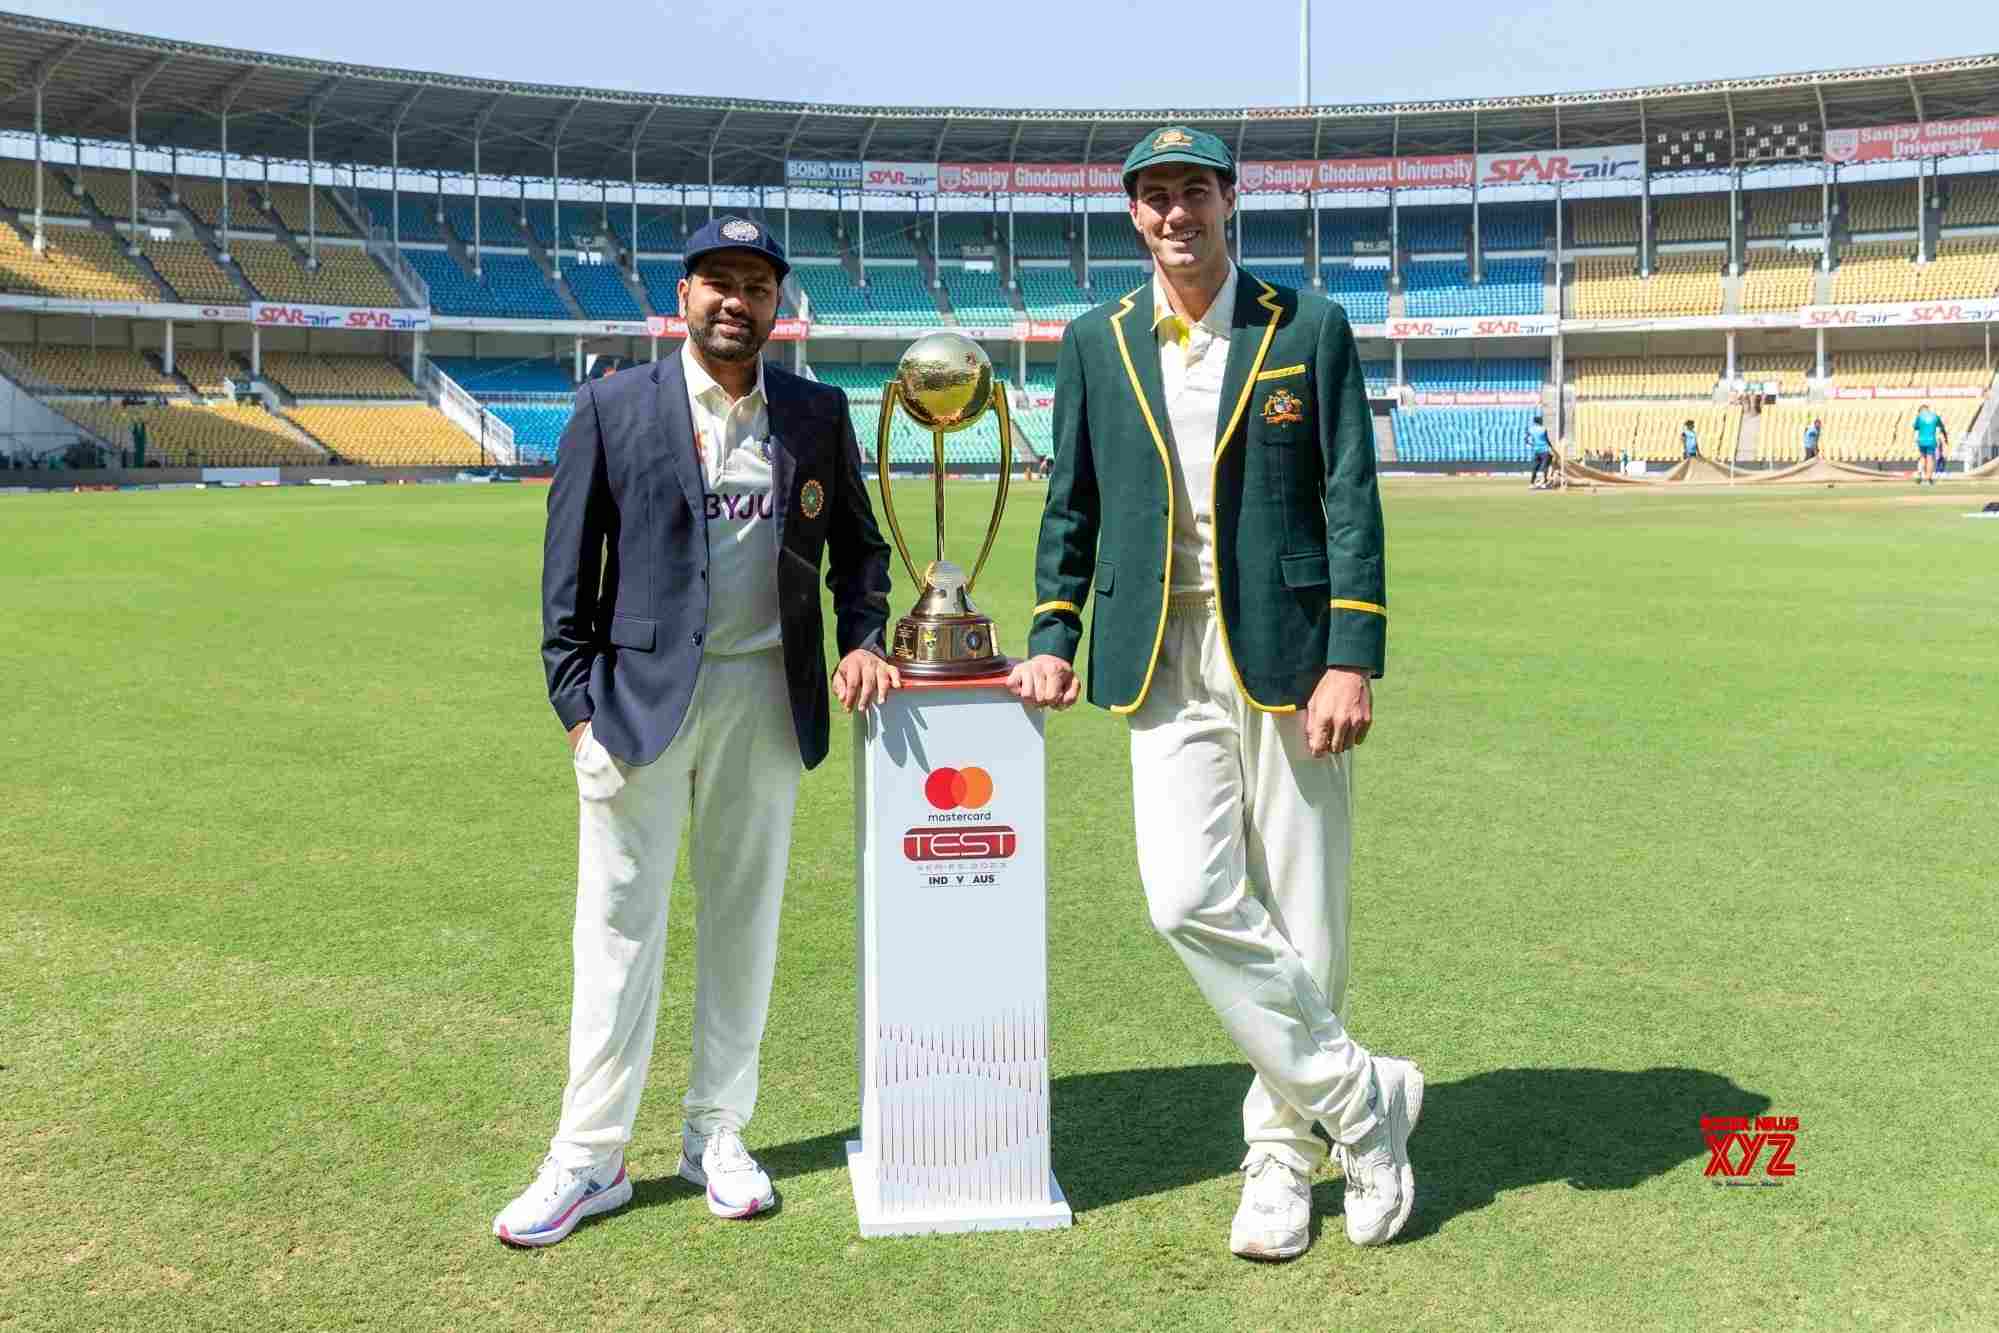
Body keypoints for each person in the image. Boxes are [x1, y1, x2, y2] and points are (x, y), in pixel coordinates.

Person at [1009, 126, 1421, 1263]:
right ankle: (1364, 1103)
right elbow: (1071, 504)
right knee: (1183, 896)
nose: (1175, 213)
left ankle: (1280, 1161)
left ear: (1231, 201)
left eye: (1194, 191)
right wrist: (1055, 630)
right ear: (1133, 215)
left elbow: (1350, 499)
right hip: (1160, 653)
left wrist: (1352, 654)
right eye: (1154, 196)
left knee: (1304, 915)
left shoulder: (1308, 325)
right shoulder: (1096, 341)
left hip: (1290, 657)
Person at [496, 215, 899, 1247]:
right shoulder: (611, 407)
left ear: (777, 306)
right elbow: (564, 584)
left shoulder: (813, 410)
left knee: (742, 923)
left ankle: (716, 1132)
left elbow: (861, 550)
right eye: (717, 281)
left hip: (765, 700)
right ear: (682, 297)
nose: (736, 300)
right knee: (618, 931)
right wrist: (578, 709)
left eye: (756, 285)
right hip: (636, 708)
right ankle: (589, 1155)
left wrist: (861, 638)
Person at [1913, 404, 1948, 485]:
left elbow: (1915, 428)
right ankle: (1928, 478)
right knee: (1930, 459)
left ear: (1921, 410)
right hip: (1931, 440)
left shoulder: (1919, 417)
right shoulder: (1935, 416)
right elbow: (1941, 427)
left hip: (1921, 440)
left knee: (1922, 457)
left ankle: (1919, 474)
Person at [1528, 414, 1554, 488]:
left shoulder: (1531, 429)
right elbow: (1547, 440)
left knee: (1535, 467)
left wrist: (1532, 444)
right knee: (1545, 466)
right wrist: (1551, 447)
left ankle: (1531, 483)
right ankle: (1544, 483)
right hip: (1545, 450)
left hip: (1536, 450)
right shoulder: (1543, 429)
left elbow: (1526, 439)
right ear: (1539, 421)